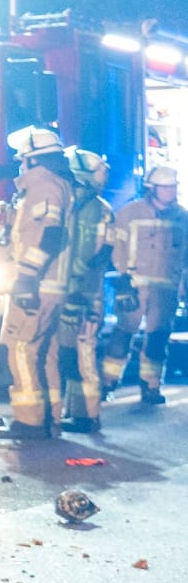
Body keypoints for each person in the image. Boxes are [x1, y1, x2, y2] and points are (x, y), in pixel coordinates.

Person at [0, 126, 76, 439]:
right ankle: (50, 418)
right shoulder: (58, 185)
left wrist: (27, 277)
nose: (20, 166)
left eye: (22, 160)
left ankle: (28, 422)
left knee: (20, 348)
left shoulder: (42, 186)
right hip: (53, 284)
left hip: (37, 284)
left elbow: (49, 235)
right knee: (46, 353)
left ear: (32, 161)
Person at [103, 164, 188, 404]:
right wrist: (122, 279)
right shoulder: (130, 213)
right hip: (133, 285)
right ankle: (108, 382)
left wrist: (182, 283)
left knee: (158, 338)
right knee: (122, 334)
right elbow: (117, 246)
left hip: (166, 290)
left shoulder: (183, 217)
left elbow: (185, 255)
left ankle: (151, 386)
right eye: (165, 188)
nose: (170, 192)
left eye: (172, 187)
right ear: (152, 189)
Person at [58, 147, 114, 432]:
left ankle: (87, 416)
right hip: (79, 291)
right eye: (101, 171)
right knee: (72, 354)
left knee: (81, 354)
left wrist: (74, 293)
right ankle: (77, 412)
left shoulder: (93, 209)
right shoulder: (86, 206)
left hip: (82, 294)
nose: (104, 176)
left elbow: (86, 256)